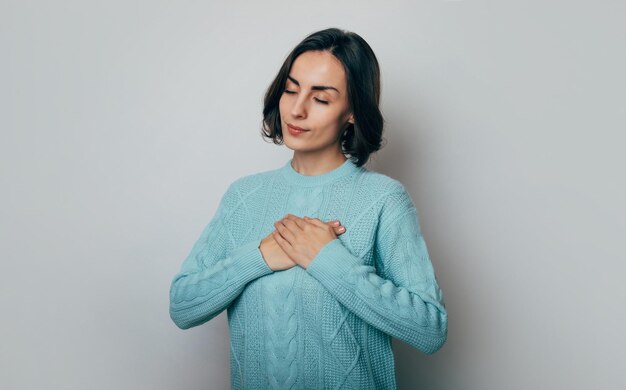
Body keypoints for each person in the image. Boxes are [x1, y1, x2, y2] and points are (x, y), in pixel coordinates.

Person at [169, 27, 448, 389]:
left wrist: (328, 259)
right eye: (290, 89)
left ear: (352, 112)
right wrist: (261, 256)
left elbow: (430, 330)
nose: (297, 110)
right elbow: (183, 306)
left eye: (321, 98)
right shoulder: (243, 195)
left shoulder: (383, 199)